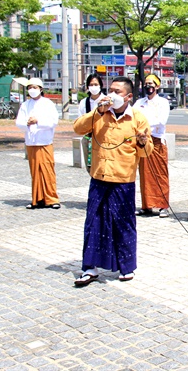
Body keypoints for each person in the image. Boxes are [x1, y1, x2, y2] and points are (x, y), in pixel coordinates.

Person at [73, 76, 153, 286]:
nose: (112, 95)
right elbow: (78, 128)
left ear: (128, 97)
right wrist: (97, 112)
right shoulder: (99, 114)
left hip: (123, 179)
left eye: (117, 92)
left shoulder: (138, 118)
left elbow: (146, 152)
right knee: (93, 222)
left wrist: (144, 142)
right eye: (110, 90)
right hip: (99, 176)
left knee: (123, 223)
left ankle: (126, 266)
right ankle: (89, 267)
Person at [15, 77, 61, 210]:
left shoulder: (48, 103)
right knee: (35, 171)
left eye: (35, 87)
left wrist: (38, 121)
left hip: (44, 141)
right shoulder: (25, 105)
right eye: (30, 88)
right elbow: (19, 122)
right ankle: (37, 199)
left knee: (47, 169)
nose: (32, 90)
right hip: (31, 141)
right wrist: (27, 123)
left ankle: (51, 198)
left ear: (40, 89)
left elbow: (53, 121)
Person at [133, 74, 171, 218]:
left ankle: (163, 205)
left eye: (151, 84)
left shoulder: (163, 102)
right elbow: (134, 116)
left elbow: (161, 120)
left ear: (157, 86)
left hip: (156, 140)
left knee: (160, 173)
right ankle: (146, 205)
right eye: (146, 84)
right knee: (144, 174)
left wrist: (144, 126)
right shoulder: (139, 102)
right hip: (143, 141)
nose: (148, 86)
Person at [78, 73, 105, 174]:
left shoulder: (106, 100)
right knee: (90, 168)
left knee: (102, 167)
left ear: (100, 85)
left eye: (96, 84)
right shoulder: (84, 102)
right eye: (91, 85)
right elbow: (80, 121)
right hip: (88, 138)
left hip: (103, 139)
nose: (93, 87)